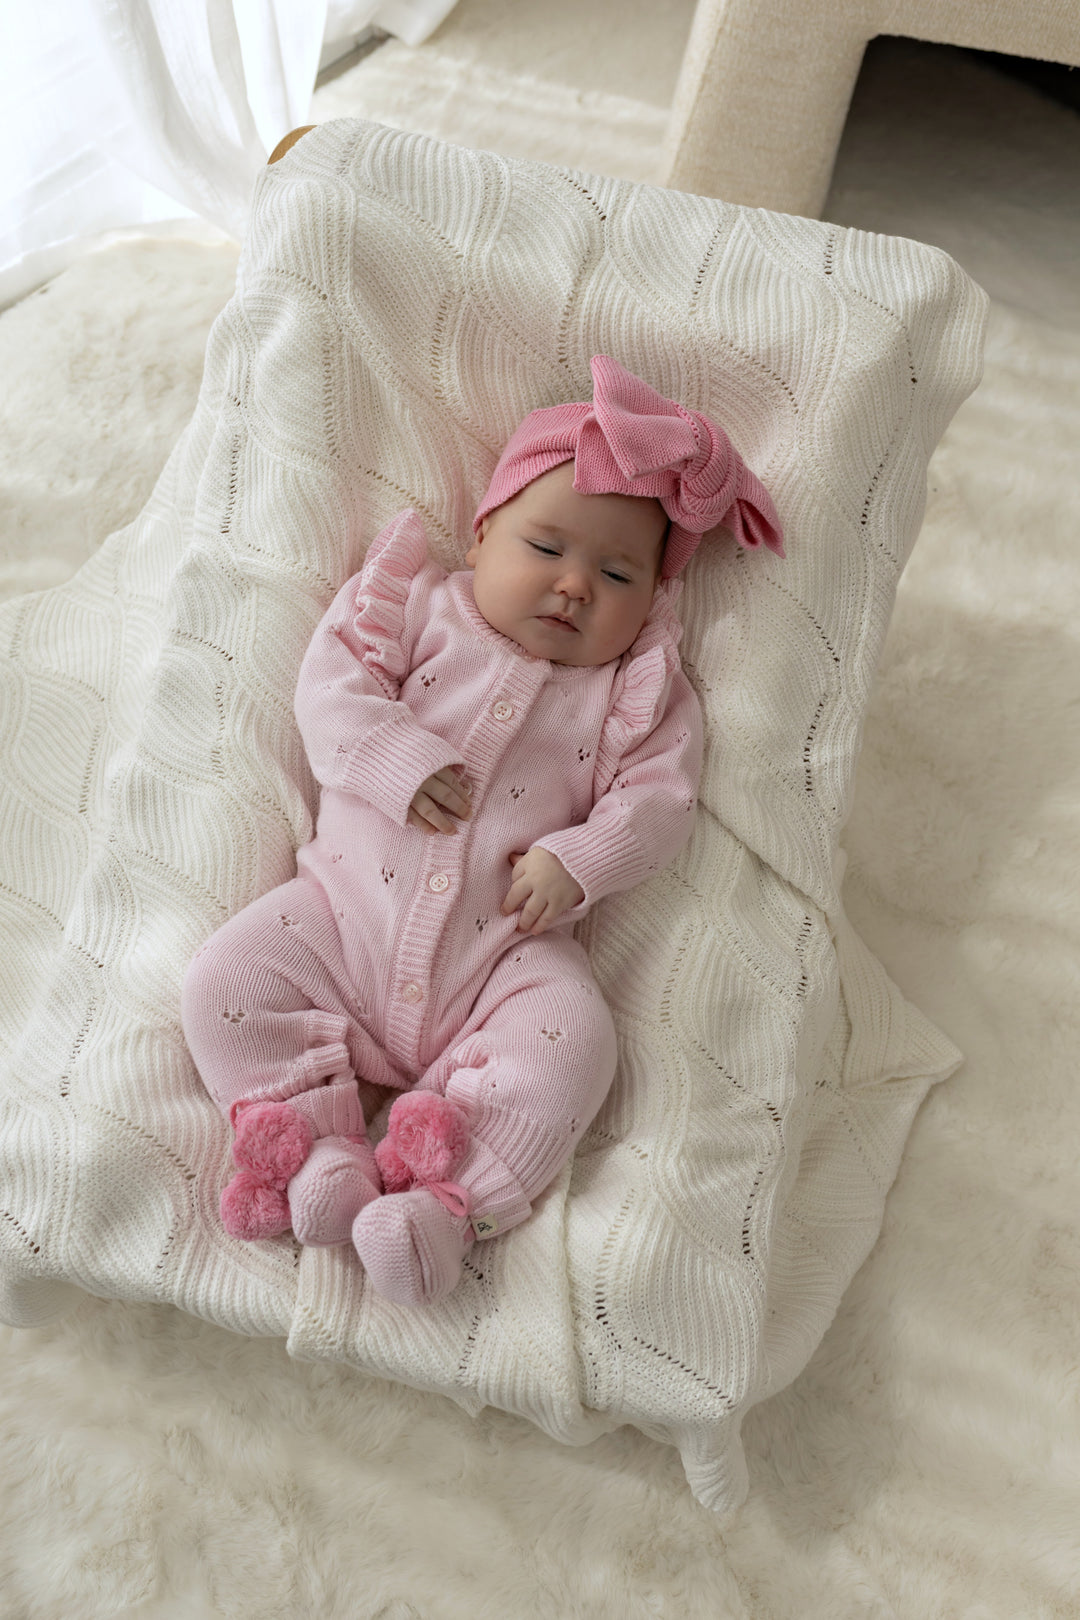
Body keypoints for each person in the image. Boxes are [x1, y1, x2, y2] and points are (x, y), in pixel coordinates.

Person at [180, 354, 784, 1306]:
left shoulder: (631, 690)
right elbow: (330, 689)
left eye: (617, 573)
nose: (575, 586)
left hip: (502, 960)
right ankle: (315, 1152)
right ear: (484, 532)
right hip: (337, 920)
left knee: (576, 1040)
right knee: (226, 977)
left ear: (652, 601)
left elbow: (659, 801)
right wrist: (392, 755)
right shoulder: (415, 606)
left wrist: (578, 859)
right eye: (546, 548)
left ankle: (442, 1204)